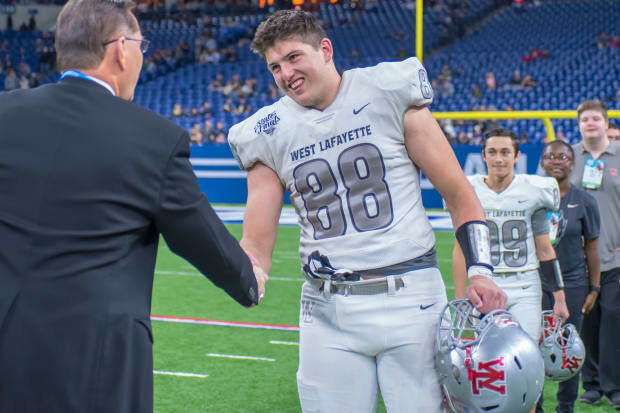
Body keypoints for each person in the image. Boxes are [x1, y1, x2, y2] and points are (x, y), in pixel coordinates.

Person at [227, 10, 506, 413]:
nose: (285, 73)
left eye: (292, 58)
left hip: (411, 300)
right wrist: (250, 271)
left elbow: (460, 195)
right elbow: (255, 239)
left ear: (325, 50)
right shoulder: (266, 130)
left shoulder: (388, 90)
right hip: (327, 309)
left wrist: (480, 270)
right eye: (274, 66)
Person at [0, 1, 267, 412]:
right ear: (121, 50)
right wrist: (249, 279)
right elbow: (202, 238)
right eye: (141, 45)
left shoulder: (6, 113)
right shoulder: (153, 140)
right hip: (95, 365)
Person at [453, 128, 570, 345]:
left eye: (505, 152)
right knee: (487, 358)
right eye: (493, 152)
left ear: (517, 156)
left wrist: (559, 296)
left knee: (525, 354)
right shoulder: (469, 190)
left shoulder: (534, 190)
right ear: (483, 155)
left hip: (525, 284)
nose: (499, 159)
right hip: (485, 284)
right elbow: (461, 249)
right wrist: (461, 298)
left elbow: (544, 249)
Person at [537, 140, 601, 413]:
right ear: (542, 162)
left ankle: (565, 406)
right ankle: (534, 404)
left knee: (569, 346)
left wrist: (594, 287)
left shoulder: (585, 200)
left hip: (574, 282)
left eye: (562, 156)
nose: (555, 160)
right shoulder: (532, 199)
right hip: (536, 283)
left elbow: (592, 247)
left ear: (572, 163)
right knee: (534, 345)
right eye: (550, 156)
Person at [570, 100, 620, 409]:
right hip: (578, 258)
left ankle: (613, 387)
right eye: (585, 119)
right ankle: (590, 385)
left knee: (613, 320)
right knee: (586, 322)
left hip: (614, 257)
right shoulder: (568, 156)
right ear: (579, 125)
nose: (590, 123)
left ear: (605, 123)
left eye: (595, 119)